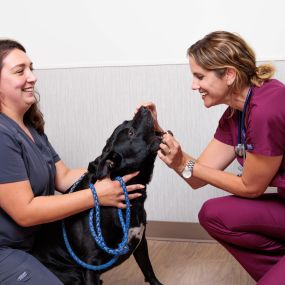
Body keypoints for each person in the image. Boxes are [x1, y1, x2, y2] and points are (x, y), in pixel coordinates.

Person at [138, 31, 285, 285]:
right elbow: (197, 177)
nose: (194, 86)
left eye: (199, 76)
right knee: (213, 214)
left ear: (228, 74)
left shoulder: (267, 108)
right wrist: (160, 136)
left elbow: (251, 187)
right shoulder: (235, 114)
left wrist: (185, 162)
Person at [0, 39, 145, 285]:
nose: (32, 77)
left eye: (31, 68)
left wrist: (115, 170)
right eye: (19, 71)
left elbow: (64, 176)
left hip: (36, 241)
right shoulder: (2, 135)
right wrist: (97, 195)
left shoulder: (29, 128)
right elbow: (25, 212)